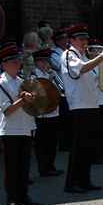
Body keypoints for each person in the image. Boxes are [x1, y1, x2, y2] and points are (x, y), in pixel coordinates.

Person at [61, 24, 103, 193]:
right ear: (71, 40)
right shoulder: (68, 55)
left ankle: (84, 179)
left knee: (89, 146)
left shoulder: (83, 55)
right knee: (78, 146)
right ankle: (72, 182)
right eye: (80, 39)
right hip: (79, 106)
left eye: (85, 39)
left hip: (91, 104)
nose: (84, 42)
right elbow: (81, 70)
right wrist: (102, 57)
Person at [0, 44, 38, 205]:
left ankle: (24, 196)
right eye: (14, 61)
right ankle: (12, 199)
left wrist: (32, 98)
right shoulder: (0, 83)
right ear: (4, 64)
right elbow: (7, 110)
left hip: (26, 127)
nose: (18, 64)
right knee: (12, 167)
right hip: (10, 129)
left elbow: (30, 106)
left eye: (18, 61)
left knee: (24, 166)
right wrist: (22, 100)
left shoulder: (22, 81)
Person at [32, 48, 63, 177]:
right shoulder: (34, 76)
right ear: (37, 62)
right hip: (42, 115)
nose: (46, 64)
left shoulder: (51, 74)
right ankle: (43, 168)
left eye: (47, 61)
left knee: (52, 142)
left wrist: (53, 79)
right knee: (42, 143)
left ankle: (51, 165)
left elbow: (61, 89)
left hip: (53, 111)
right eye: (43, 62)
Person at [50, 28, 72, 151]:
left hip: (70, 88)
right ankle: (64, 144)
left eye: (66, 38)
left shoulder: (68, 52)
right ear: (57, 41)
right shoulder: (54, 53)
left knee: (70, 118)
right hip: (61, 89)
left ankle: (69, 141)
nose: (66, 41)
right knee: (64, 118)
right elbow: (59, 65)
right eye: (63, 39)